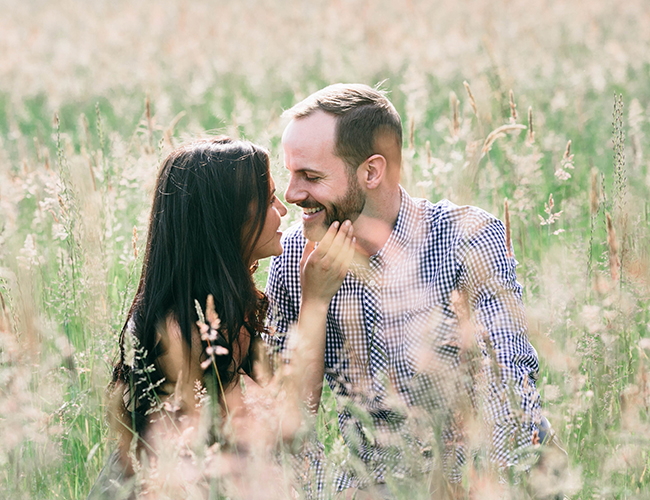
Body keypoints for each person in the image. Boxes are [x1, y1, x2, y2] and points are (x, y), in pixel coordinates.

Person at [265, 84, 542, 495]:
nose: (292, 194)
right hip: (363, 482)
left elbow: (510, 383)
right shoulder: (294, 257)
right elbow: (286, 422)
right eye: (290, 173)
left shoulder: (467, 238)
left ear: (372, 172)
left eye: (310, 176)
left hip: (468, 475)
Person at [88, 136, 355, 499]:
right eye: (269, 198)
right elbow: (287, 431)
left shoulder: (224, 308)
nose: (283, 209)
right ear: (229, 219)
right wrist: (316, 302)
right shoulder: (181, 332)